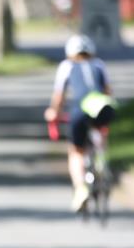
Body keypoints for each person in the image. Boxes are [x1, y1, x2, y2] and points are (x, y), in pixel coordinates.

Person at [44, 34, 117, 212]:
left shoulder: (66, 66)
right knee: (100, 130)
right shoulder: (99, 64)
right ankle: (101, 161)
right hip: (102, 106)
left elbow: (59, 95)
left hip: (81, 109)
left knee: (75, 151)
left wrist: (54, 111)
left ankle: (81, 188)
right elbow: (107, 91)